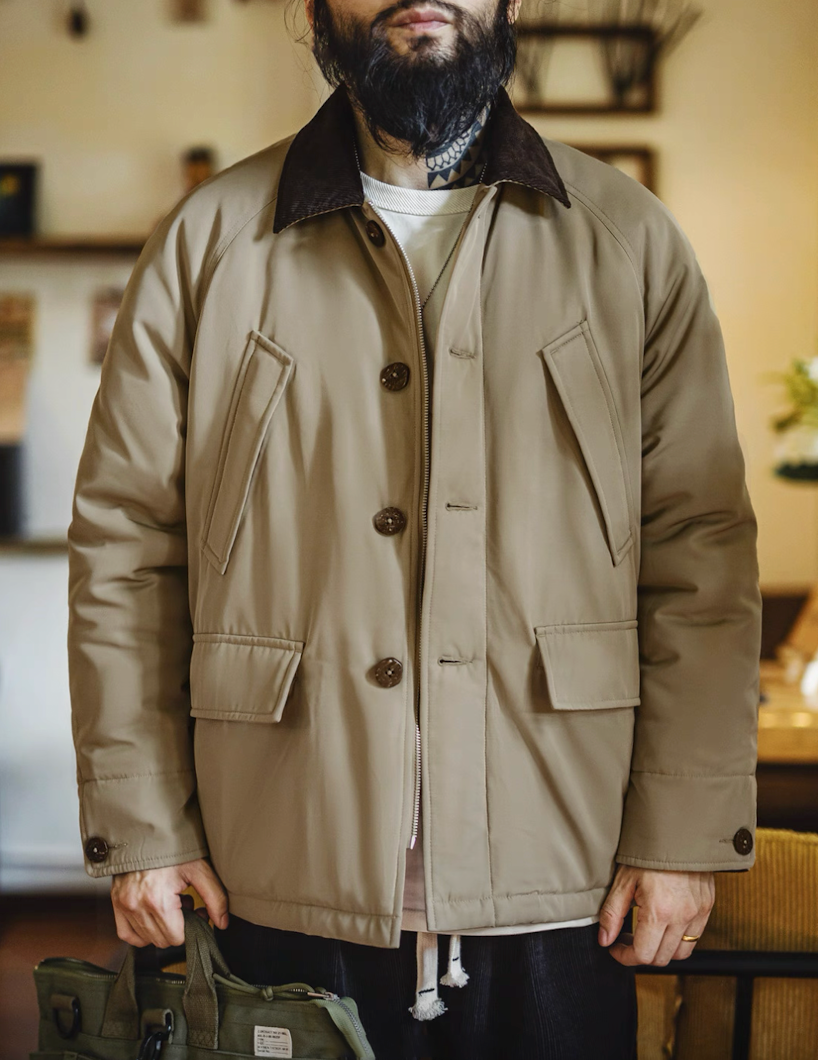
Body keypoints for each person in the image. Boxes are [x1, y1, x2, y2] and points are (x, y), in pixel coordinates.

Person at [66, 0, 762, 1055]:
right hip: (276, 871)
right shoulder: (206, 242)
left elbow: (697, 554)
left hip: (561, 875)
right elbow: (126, 549)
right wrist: (142, 825)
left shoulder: (627, 241)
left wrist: (680, 832)